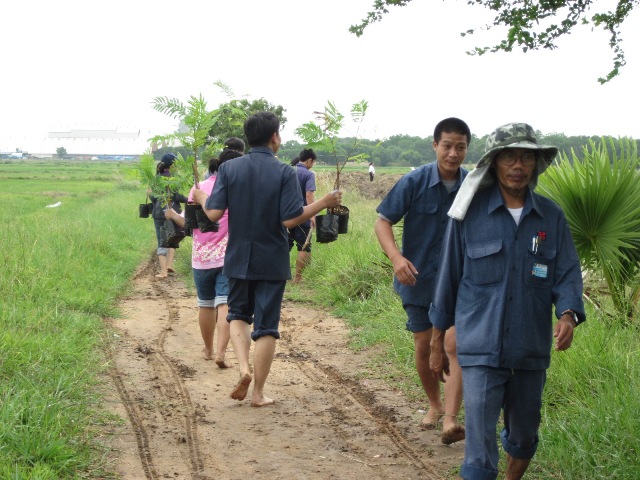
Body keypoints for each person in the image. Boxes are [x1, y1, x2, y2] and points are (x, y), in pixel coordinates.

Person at [429, 122, 586, 480]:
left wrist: (568, 315)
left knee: (524, 437)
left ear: (535, 164)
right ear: (494, 163)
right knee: (480, 445)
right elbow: (448, 278)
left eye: (526, 158)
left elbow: (566, 273)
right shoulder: (467, 214)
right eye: (509, 157)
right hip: (481, 348)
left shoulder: (551, 217)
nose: (518, 165)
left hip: (530, 348)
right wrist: (437, 342)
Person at [192, 112, 342, 407]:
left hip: (237, 257)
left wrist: (200, 198)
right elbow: (290, 219)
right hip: (272, 259)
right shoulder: (284, 171)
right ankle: (258, 393)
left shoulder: (229, 169)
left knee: (237, 315)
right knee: (267, 327)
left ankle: (243, 369)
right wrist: (324, 202)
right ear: (275, 137)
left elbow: (213, 214)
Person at [375, 117, 470, 444]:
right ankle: (434, 404)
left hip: (460, 282)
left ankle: (451, 418)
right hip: (419, 280)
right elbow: (383, 221)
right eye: (447, 146)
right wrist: (397, 258)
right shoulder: (414, 181)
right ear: (435, 145)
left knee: (453, 344)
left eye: (460, 147)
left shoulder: (474, 186)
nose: (453, 154)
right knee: (424, 344)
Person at [166, 149, 243, 367]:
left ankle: (208, 350)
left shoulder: (198, 188)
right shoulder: (236, 189)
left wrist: (172, 214)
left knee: (205, 305)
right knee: (224, 304)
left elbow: (188, 225)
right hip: (227, 256)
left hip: (201, 257)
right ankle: (221, 352)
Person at [150, 152, 188, 278]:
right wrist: (189, 199)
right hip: (173, 212)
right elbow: (178, 196)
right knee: (173, 237)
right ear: (173, 165)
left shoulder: (156, 178)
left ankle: (163, 272)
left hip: (159, 214)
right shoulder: (175, 178)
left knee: (161, 240)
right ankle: (169, 265)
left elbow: (153, 198)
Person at [288, 148, 317, 284]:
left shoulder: (287, 171)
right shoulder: (308, 175)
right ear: (309, 160)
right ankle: (298, 278)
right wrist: (313, 214)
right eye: (313, 162)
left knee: (284, 246)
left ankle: (280, 276)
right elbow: (309, 194)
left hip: (285, 216)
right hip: (302, 215)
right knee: (304, 246)